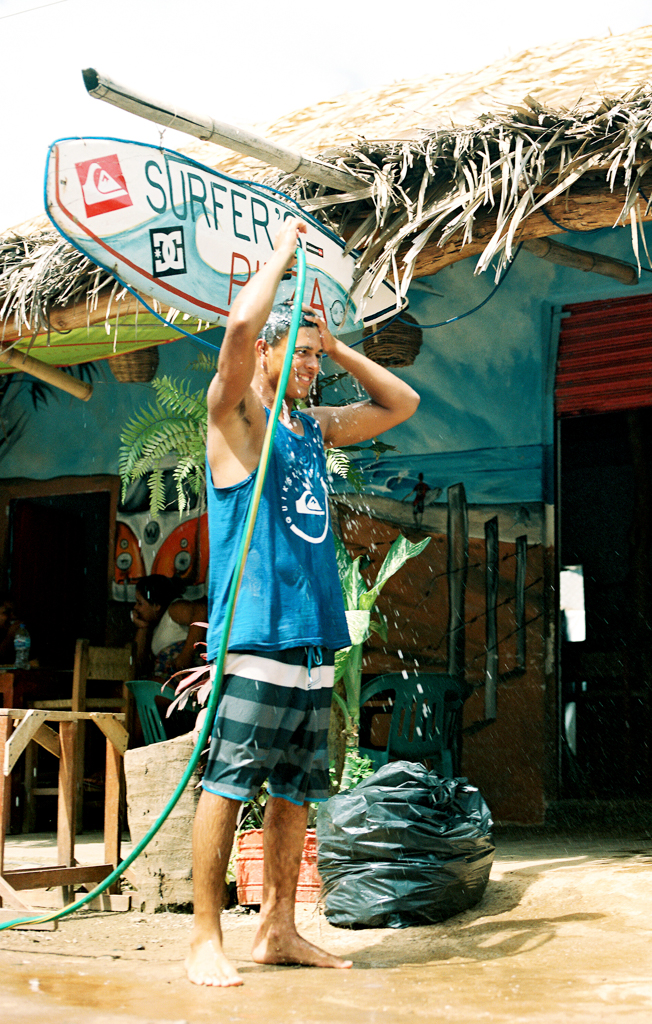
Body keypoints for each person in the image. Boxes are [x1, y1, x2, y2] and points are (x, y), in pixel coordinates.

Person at [187, 217, 419, 987]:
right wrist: (283, 258)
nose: (315, 369)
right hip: (256, 635)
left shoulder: (311, 428)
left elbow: (400, 402)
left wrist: (336, 339)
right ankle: (203, 941)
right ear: (267, 354)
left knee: (294, 790)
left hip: (313, 636)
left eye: (319, 359)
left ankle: (278, 930)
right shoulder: (238, 420)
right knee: (228, 782)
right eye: (305, 356)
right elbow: (236, 333)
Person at [130, 575, 207, 680]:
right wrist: (142, 628)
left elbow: (201, 613)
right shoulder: (156, 627)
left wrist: (186, 654)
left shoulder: (174, 609)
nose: (135, 607)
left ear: (156, 605)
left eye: (140, 603)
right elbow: (136, 663)